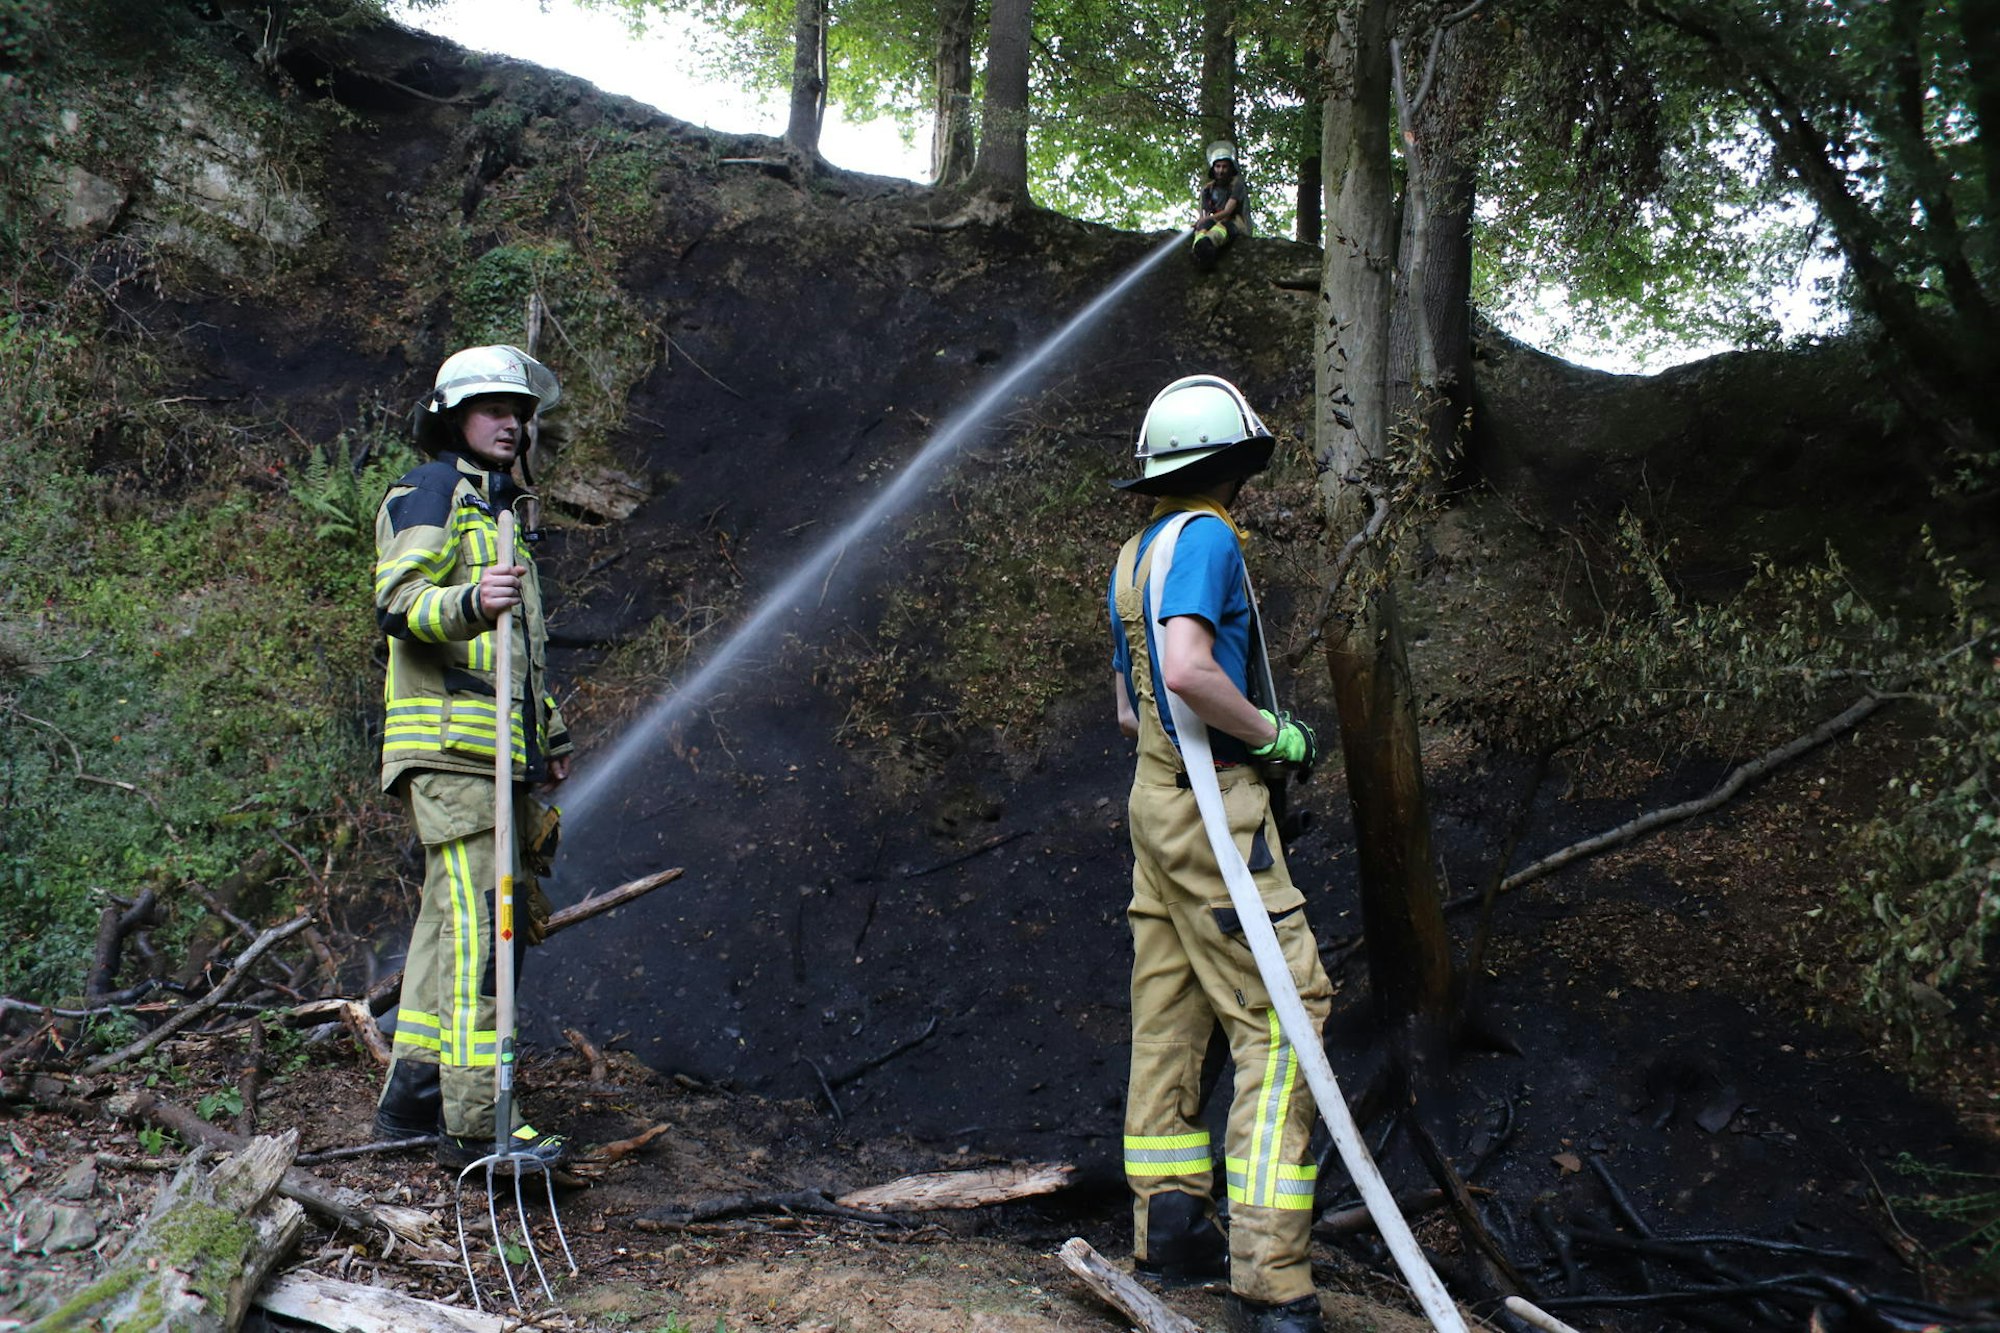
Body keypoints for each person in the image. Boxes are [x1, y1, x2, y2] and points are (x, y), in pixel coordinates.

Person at [1106, 375, 1332, 1333]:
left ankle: (1170, 1221)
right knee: (1287, 1016)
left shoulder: (1134, 553)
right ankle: (1272, 1279)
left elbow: (1131, 705)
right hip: (1211, 812)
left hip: (1155, 802)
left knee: (1172, 999)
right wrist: (1274, 737)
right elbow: (1192, 668)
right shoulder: (1204, 538)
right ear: (1234, 463)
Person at [371, 344, 575, 1172]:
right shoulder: (430, 492)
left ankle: (412, 1099)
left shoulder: (501, 515)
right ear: (454, 416)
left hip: (493, 753)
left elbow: (516, 656)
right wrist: (466, 600)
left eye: (518, 411)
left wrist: (549, 735)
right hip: (452, 751)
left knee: (446, 930)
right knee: (482, 939)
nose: (510, 422)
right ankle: (476, 1121)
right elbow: (397, 601)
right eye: (493, 408)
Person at [1191, 141, 1252, 271]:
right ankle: (1199, 249)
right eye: (1218, 166)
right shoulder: (1208, 189)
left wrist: (1206, 220)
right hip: (1213, 221)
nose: (1221, 170)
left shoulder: (1237, 186)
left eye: (1224, 167)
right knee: (1202, 230)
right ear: (1213, 168)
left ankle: (1209, 245)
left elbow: (1228, 211)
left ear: (1230, 168)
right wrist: (1201, 223)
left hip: (1233, 222)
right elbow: (1205, 214)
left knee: (1219, 230)